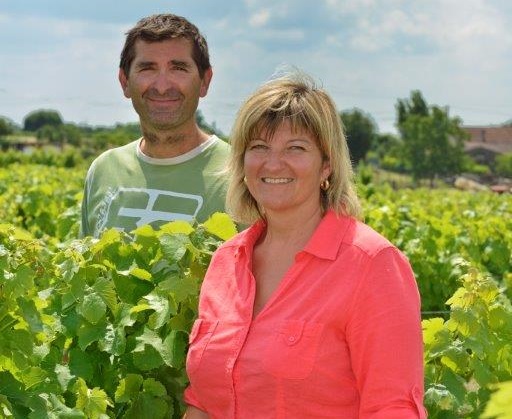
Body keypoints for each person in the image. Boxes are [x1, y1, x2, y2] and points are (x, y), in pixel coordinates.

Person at [183, 71, 426, 418]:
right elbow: (203, 404)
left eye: (295, 148)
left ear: (327, 164)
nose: (273, 163)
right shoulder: (226, 261)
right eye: (259, 147)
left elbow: (393, 408)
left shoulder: (372, 265)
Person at [81, 14, 229, 237]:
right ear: (124, 82)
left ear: (205, 81)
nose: (161, 86)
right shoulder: (103, 171)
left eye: (178, 68)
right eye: (147, 68)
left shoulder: (239, 174)